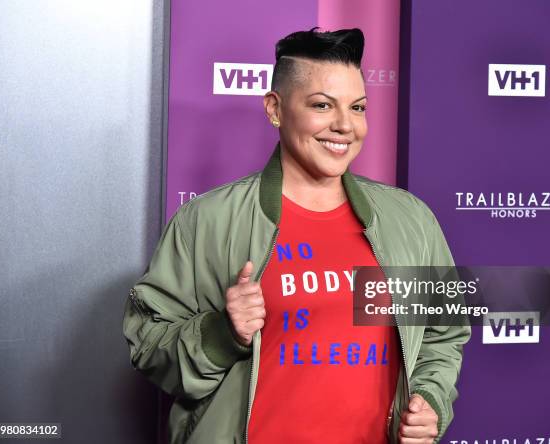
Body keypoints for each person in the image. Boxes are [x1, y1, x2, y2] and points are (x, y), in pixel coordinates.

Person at [123, 27, 471, 444]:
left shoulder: (409, 220)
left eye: (357, 107)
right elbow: (148, 344)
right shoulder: (207, 221)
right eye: (322, 105)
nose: (345, 125)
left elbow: (442, 333)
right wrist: (222, 333)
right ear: (275, 108)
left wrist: (429, 399)